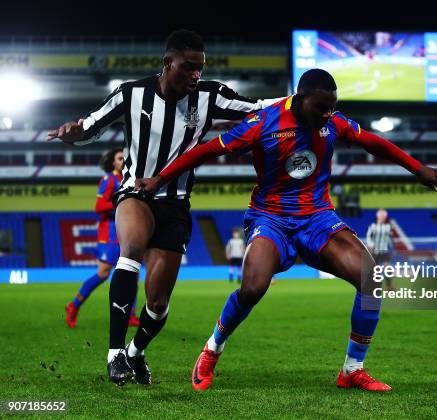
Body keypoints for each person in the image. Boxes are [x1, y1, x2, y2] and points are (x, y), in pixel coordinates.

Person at [135, 68, 437, 392]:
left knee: (372, 279)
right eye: (322, 107)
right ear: (300, 98)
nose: (328, 114)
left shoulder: (333, 123)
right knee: (253, 287)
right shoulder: (263, 123)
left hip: (318, 218)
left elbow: (373, 142)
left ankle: (352, 369)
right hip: (270, 218)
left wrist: (417, 168)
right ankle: (212, 348)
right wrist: (160, 179)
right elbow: (209, 150)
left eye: (332, 107)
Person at [47, 29, 282, 386]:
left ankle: (135, 353)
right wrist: (72, 131)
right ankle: (114, 355)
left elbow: (257, 108)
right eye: (188, 67)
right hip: (135, 193)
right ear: (167, 63)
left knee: (157, 304)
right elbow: (90, 126)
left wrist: (301, 100)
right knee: (132, 248)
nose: (195, 75)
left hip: (176, 204)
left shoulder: (209, 95)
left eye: (199, 68)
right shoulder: (131, 93)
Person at [65, 149, 139, 328]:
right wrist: (121, 201)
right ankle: (74, 305)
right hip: (110, 234)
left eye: (125, 158)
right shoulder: (109, 180)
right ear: (113, 163)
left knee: (133, 273)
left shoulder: (130, 180)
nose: (123, 161)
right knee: (103, 273)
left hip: (127, 232)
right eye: (120, 159)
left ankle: (130, 314)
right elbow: (99, 206)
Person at [366, 208, 394, 291]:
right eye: (380, 214)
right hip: (375, 252)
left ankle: (389, 286)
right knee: (374, 270)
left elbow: (390, 238)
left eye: (383, 215)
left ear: (385, 216)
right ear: (378, 216)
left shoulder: (388, 227)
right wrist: (370, 245)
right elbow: (368, 236)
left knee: (387, 267)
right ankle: (374, 286)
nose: (382, 216)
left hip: (384, 251)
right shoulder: (373, 226)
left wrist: (392, 247)